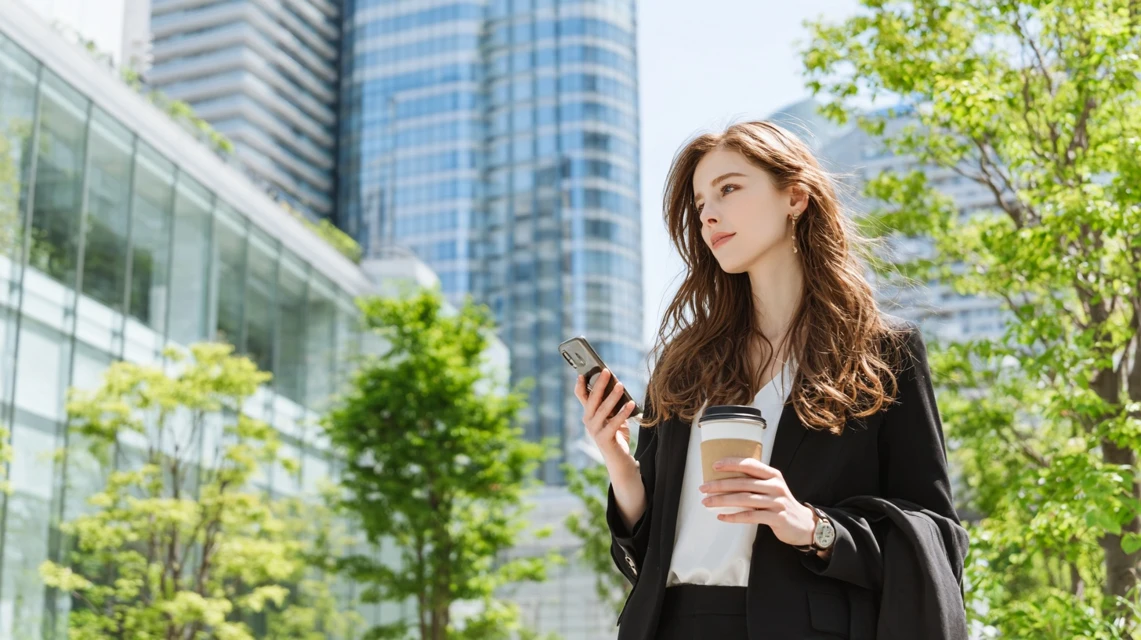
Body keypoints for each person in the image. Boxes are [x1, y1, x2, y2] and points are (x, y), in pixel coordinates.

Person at [574, 121, 969, 640]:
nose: (709, 213)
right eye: (699, 203)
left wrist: (810, 526)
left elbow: (937, 535)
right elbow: (648, 552)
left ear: (796, 197)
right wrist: (622, 469)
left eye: (729, 188)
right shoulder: (685, 361)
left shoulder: (881, 354)